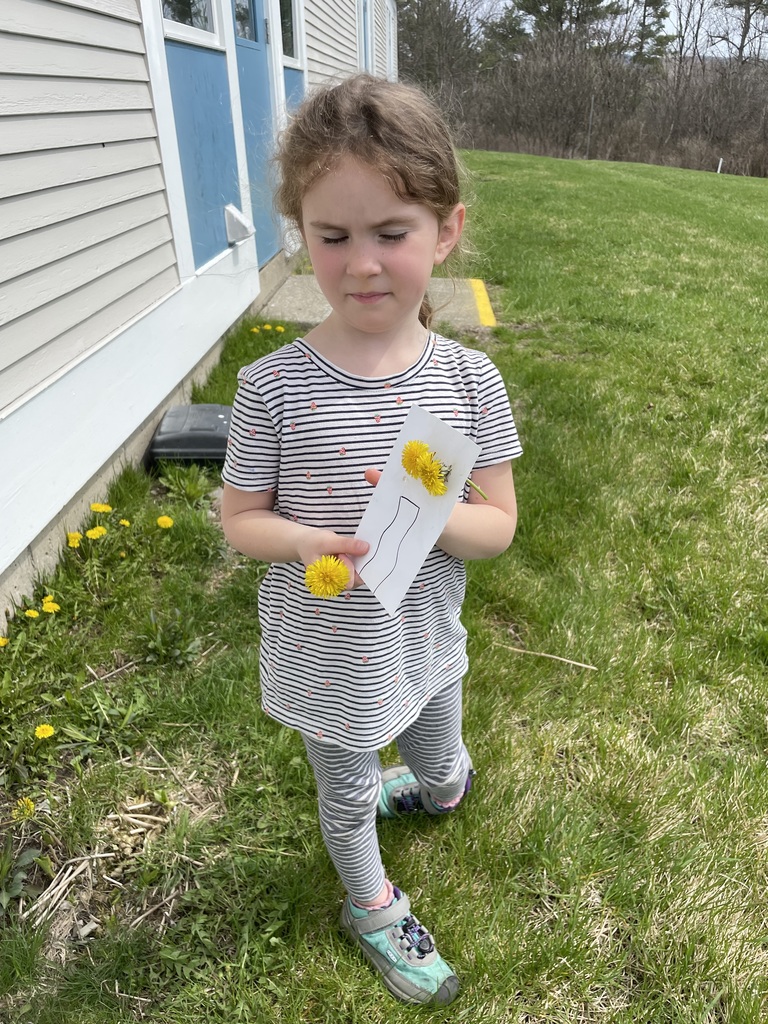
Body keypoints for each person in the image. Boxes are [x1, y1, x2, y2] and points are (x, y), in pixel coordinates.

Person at [220, 73, 522, 1006]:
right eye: (332, 236)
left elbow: (497, 527)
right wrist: (317, 536)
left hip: (424, 635)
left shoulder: (468, 384)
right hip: (331, 647)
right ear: (300, 234)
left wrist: (426, 512)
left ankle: (431, 788)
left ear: (447, 230)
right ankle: (372, 902)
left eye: (391, 233)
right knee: (349, 787)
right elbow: (240, 523)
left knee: (441, 765)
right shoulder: (274, 387)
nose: (360, 264)